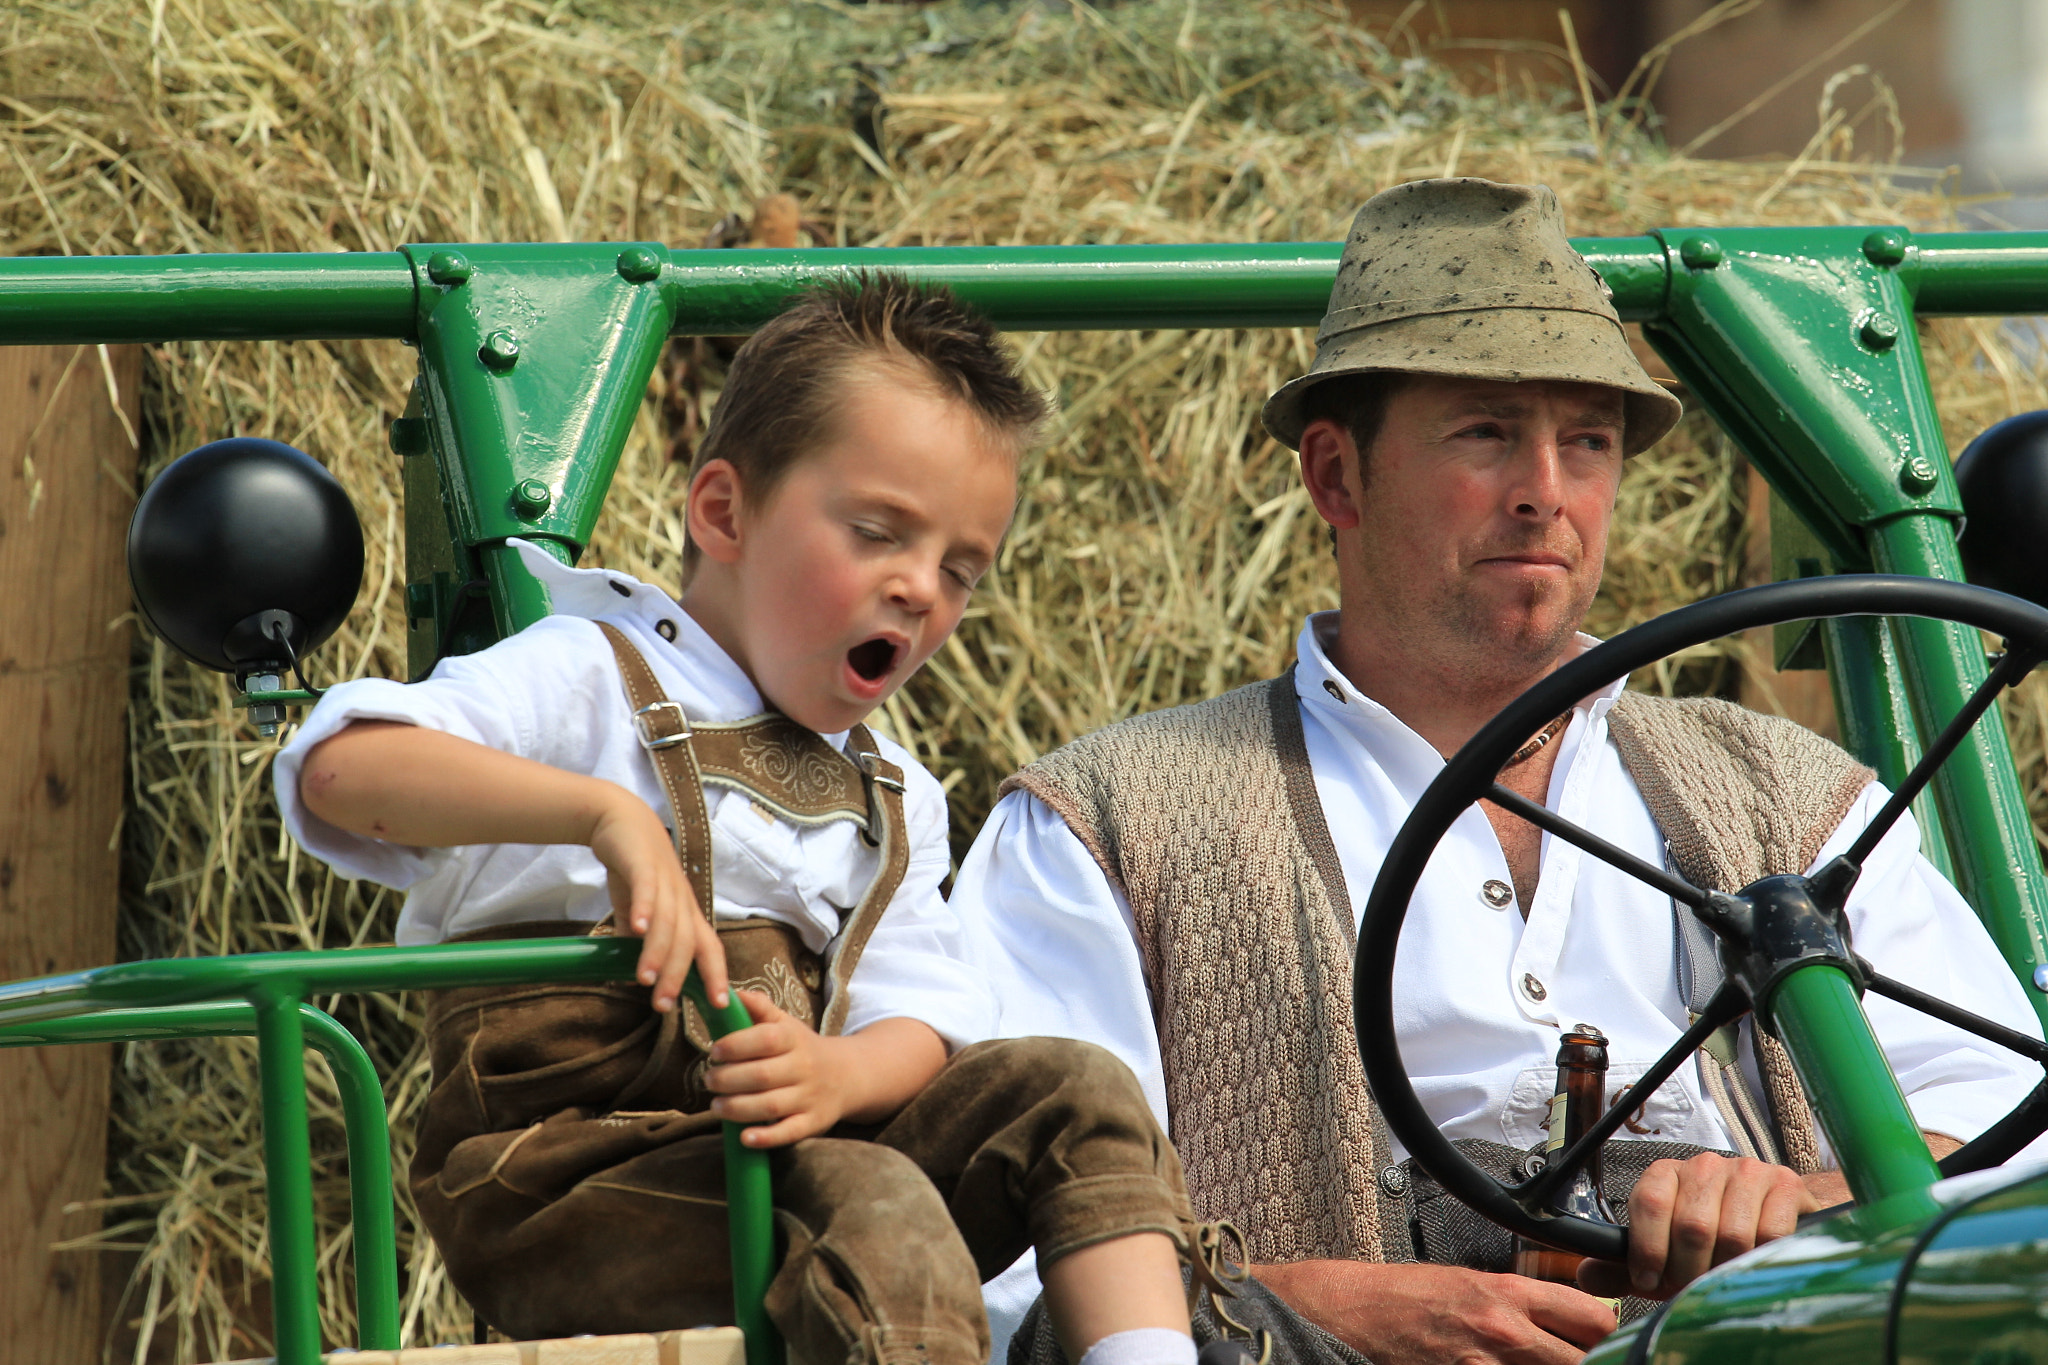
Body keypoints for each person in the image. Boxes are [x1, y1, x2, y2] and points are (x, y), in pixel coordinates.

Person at [953, 179, 2048, 1365]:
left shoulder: (1790, 797)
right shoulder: (1111, 822)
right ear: (1334, 478)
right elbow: (1007, 1262)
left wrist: (1813, 1205)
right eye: (1484, 432)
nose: (1545, 490)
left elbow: (2014, 1146)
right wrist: (1302, 1303)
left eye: (1586, 441)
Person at [275, 275, 1216, 1365]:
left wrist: (841, 1076)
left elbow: (925, 1017)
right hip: (556, 1187)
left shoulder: (891, 794)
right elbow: (342, 772)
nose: (921, 589)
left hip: (784, 1151)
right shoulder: (585, 675)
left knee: (1076, 1091)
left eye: (960, 569)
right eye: (877, 532)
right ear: (723, 513)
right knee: (862, 1194)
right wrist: (604, 819)